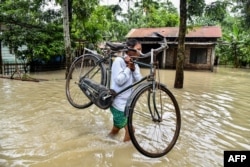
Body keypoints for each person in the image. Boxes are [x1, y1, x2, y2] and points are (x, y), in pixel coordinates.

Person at [109, 39, 142, 142]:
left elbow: (139, 79)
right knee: (131, 130)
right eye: (138, 50)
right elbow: (119, 81)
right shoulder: (118, 61)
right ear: (129, 50)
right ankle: (121, 154)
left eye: (141, 50)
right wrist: (128, 68)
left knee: (116, 129)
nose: (140, 52)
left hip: (126, 104)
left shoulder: (135, 63)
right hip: (117, 104)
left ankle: (106, 140)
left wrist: (133, 68)